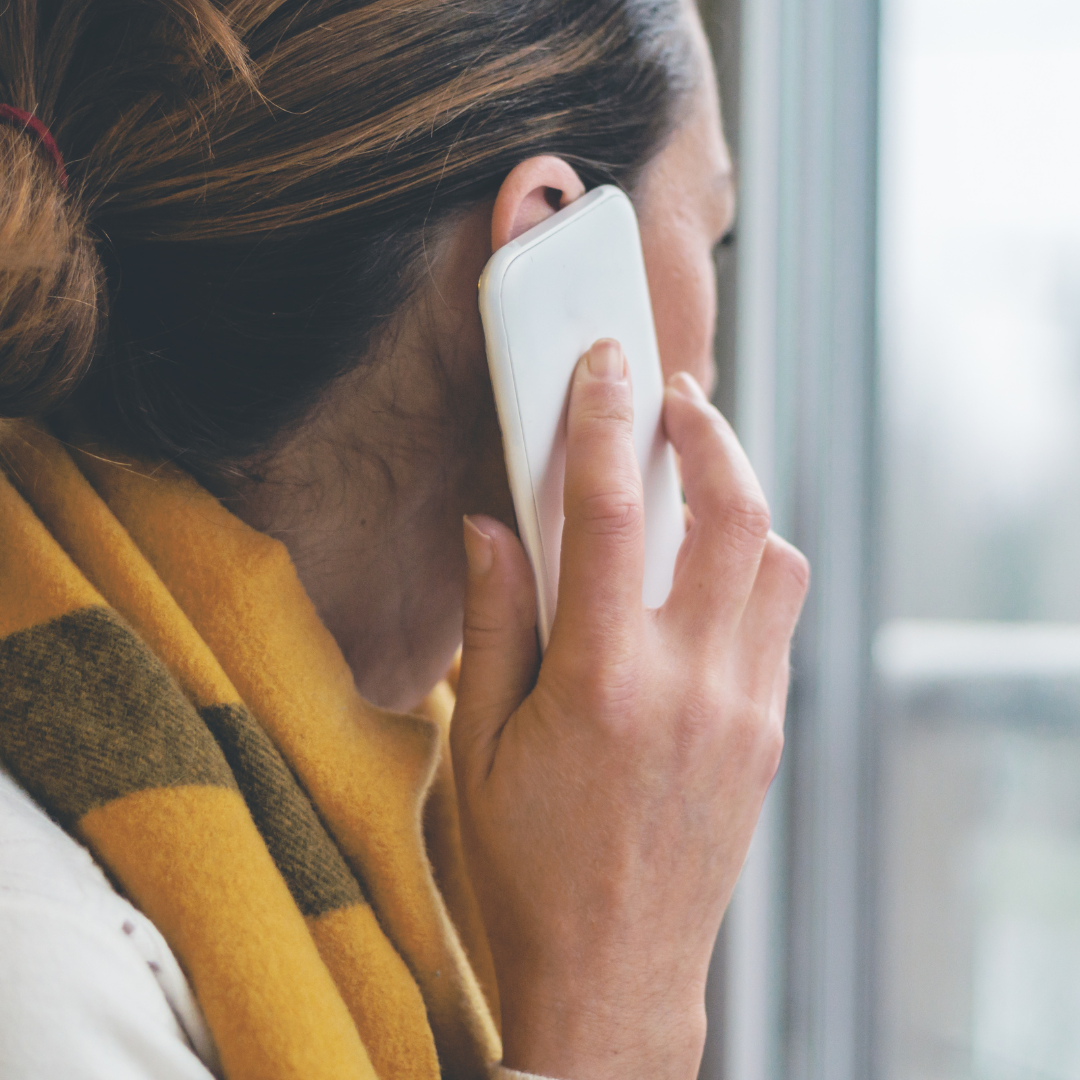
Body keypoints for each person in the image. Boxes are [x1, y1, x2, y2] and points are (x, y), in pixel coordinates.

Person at [0, 1, 809, 1078]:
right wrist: (615, 1010)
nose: (710, 371)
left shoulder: (421, 807)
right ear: (551, 242)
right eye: (716, 235)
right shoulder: (44, 966)